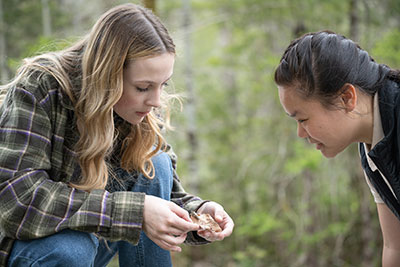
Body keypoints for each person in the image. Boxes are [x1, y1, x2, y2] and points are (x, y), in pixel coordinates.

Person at [0, 3, 234, 267]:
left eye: (163, 85)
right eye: (144, 87)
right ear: (108, 75)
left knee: (156, 164)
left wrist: (198, 213)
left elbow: (164, 197)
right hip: (33, 248)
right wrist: (137, 212)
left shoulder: (135, 108)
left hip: (91, 241)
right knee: (71, 250)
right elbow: (16, 199)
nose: (156, 101)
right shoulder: (40, 86)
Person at [274, 30, 400, 266]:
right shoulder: (371, 144)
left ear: (346, 98)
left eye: (302, 119)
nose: (301, 133)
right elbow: (395, 246)